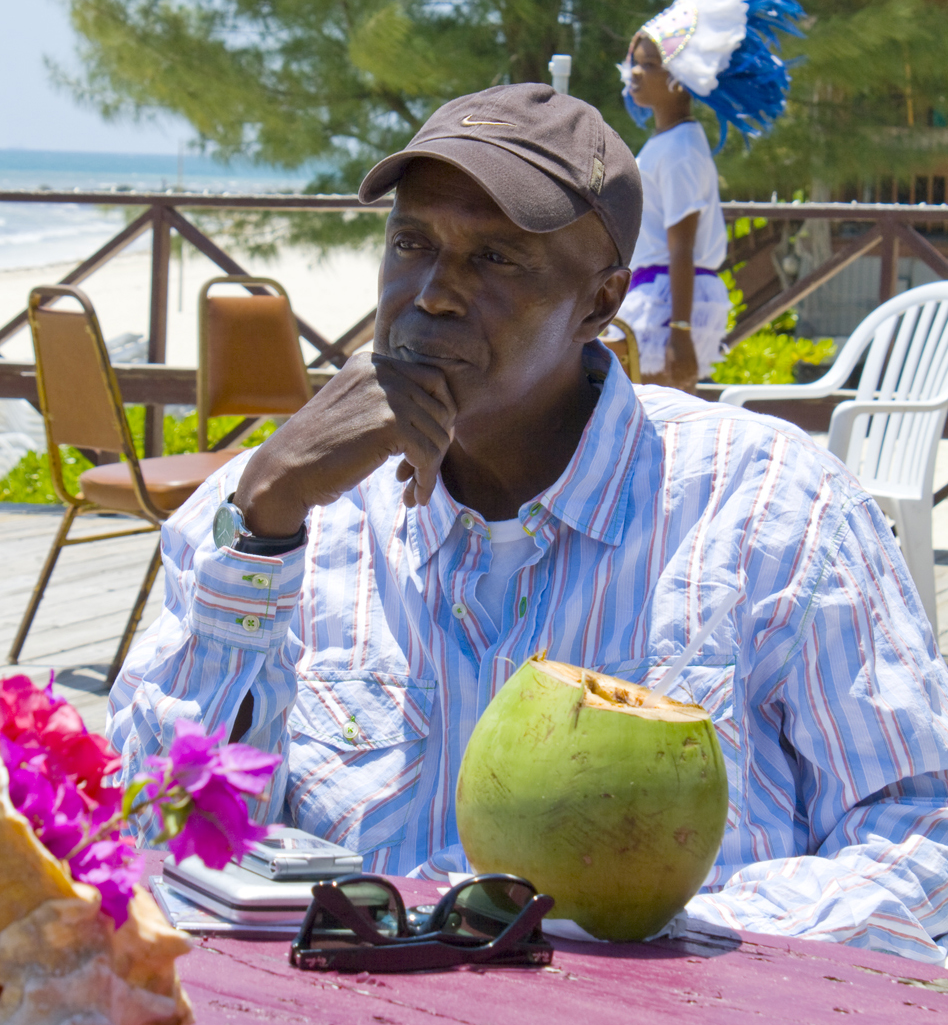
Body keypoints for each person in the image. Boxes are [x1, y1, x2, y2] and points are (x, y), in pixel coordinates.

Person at [108, 82, 948, 966]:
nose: (432, 294)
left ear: (599, 302)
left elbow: (920, 833)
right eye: (412, 243)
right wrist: (266, 521)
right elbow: (148, 835)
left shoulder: (771, 508)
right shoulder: (276, 515)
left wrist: (645, 941)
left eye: (497, 260)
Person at [614, 0, 804, 391]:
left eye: (647, 65)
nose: (633, 72)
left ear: (679, 79)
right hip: (657, 293)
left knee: (660, 415)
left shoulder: (680, 149)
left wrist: (679, 333)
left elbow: (682, 245)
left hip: (668, 301)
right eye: (633, 62)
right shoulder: (670, 142)